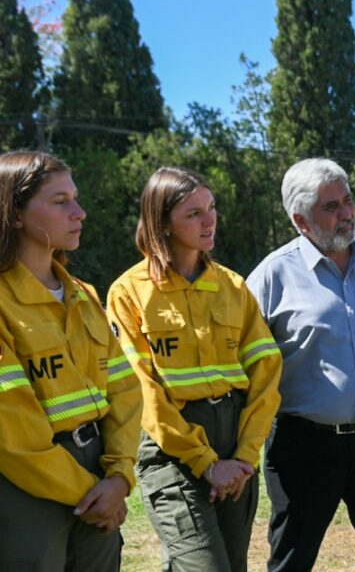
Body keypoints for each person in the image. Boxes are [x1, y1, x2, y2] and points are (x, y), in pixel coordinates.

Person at [106, 166, 282, 570]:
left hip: (235, 447)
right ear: (161, 223)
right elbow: (141, 390)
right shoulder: (129, 292)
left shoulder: (233, 287)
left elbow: (266, 373)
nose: (210, 220)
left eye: (212, 207)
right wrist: (205, 462)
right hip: (173, 452)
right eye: (193, 213)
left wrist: (244, 455)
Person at [247, 158, 355, 572]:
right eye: (331, 206)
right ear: (301, 220)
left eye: (348, 200)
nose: (346, 213)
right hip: (305, 445)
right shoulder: (270, 277)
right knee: (291, 561)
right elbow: (245, 366)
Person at [0, 150, 142, 571]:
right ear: (16, 214)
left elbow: (124, 390)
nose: (79, 212)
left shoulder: (84, 295)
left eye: (76, 198)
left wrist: (118, 477)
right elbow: (13, 430)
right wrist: (92, 490)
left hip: (100, 473)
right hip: (29, 489)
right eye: (60, 202)